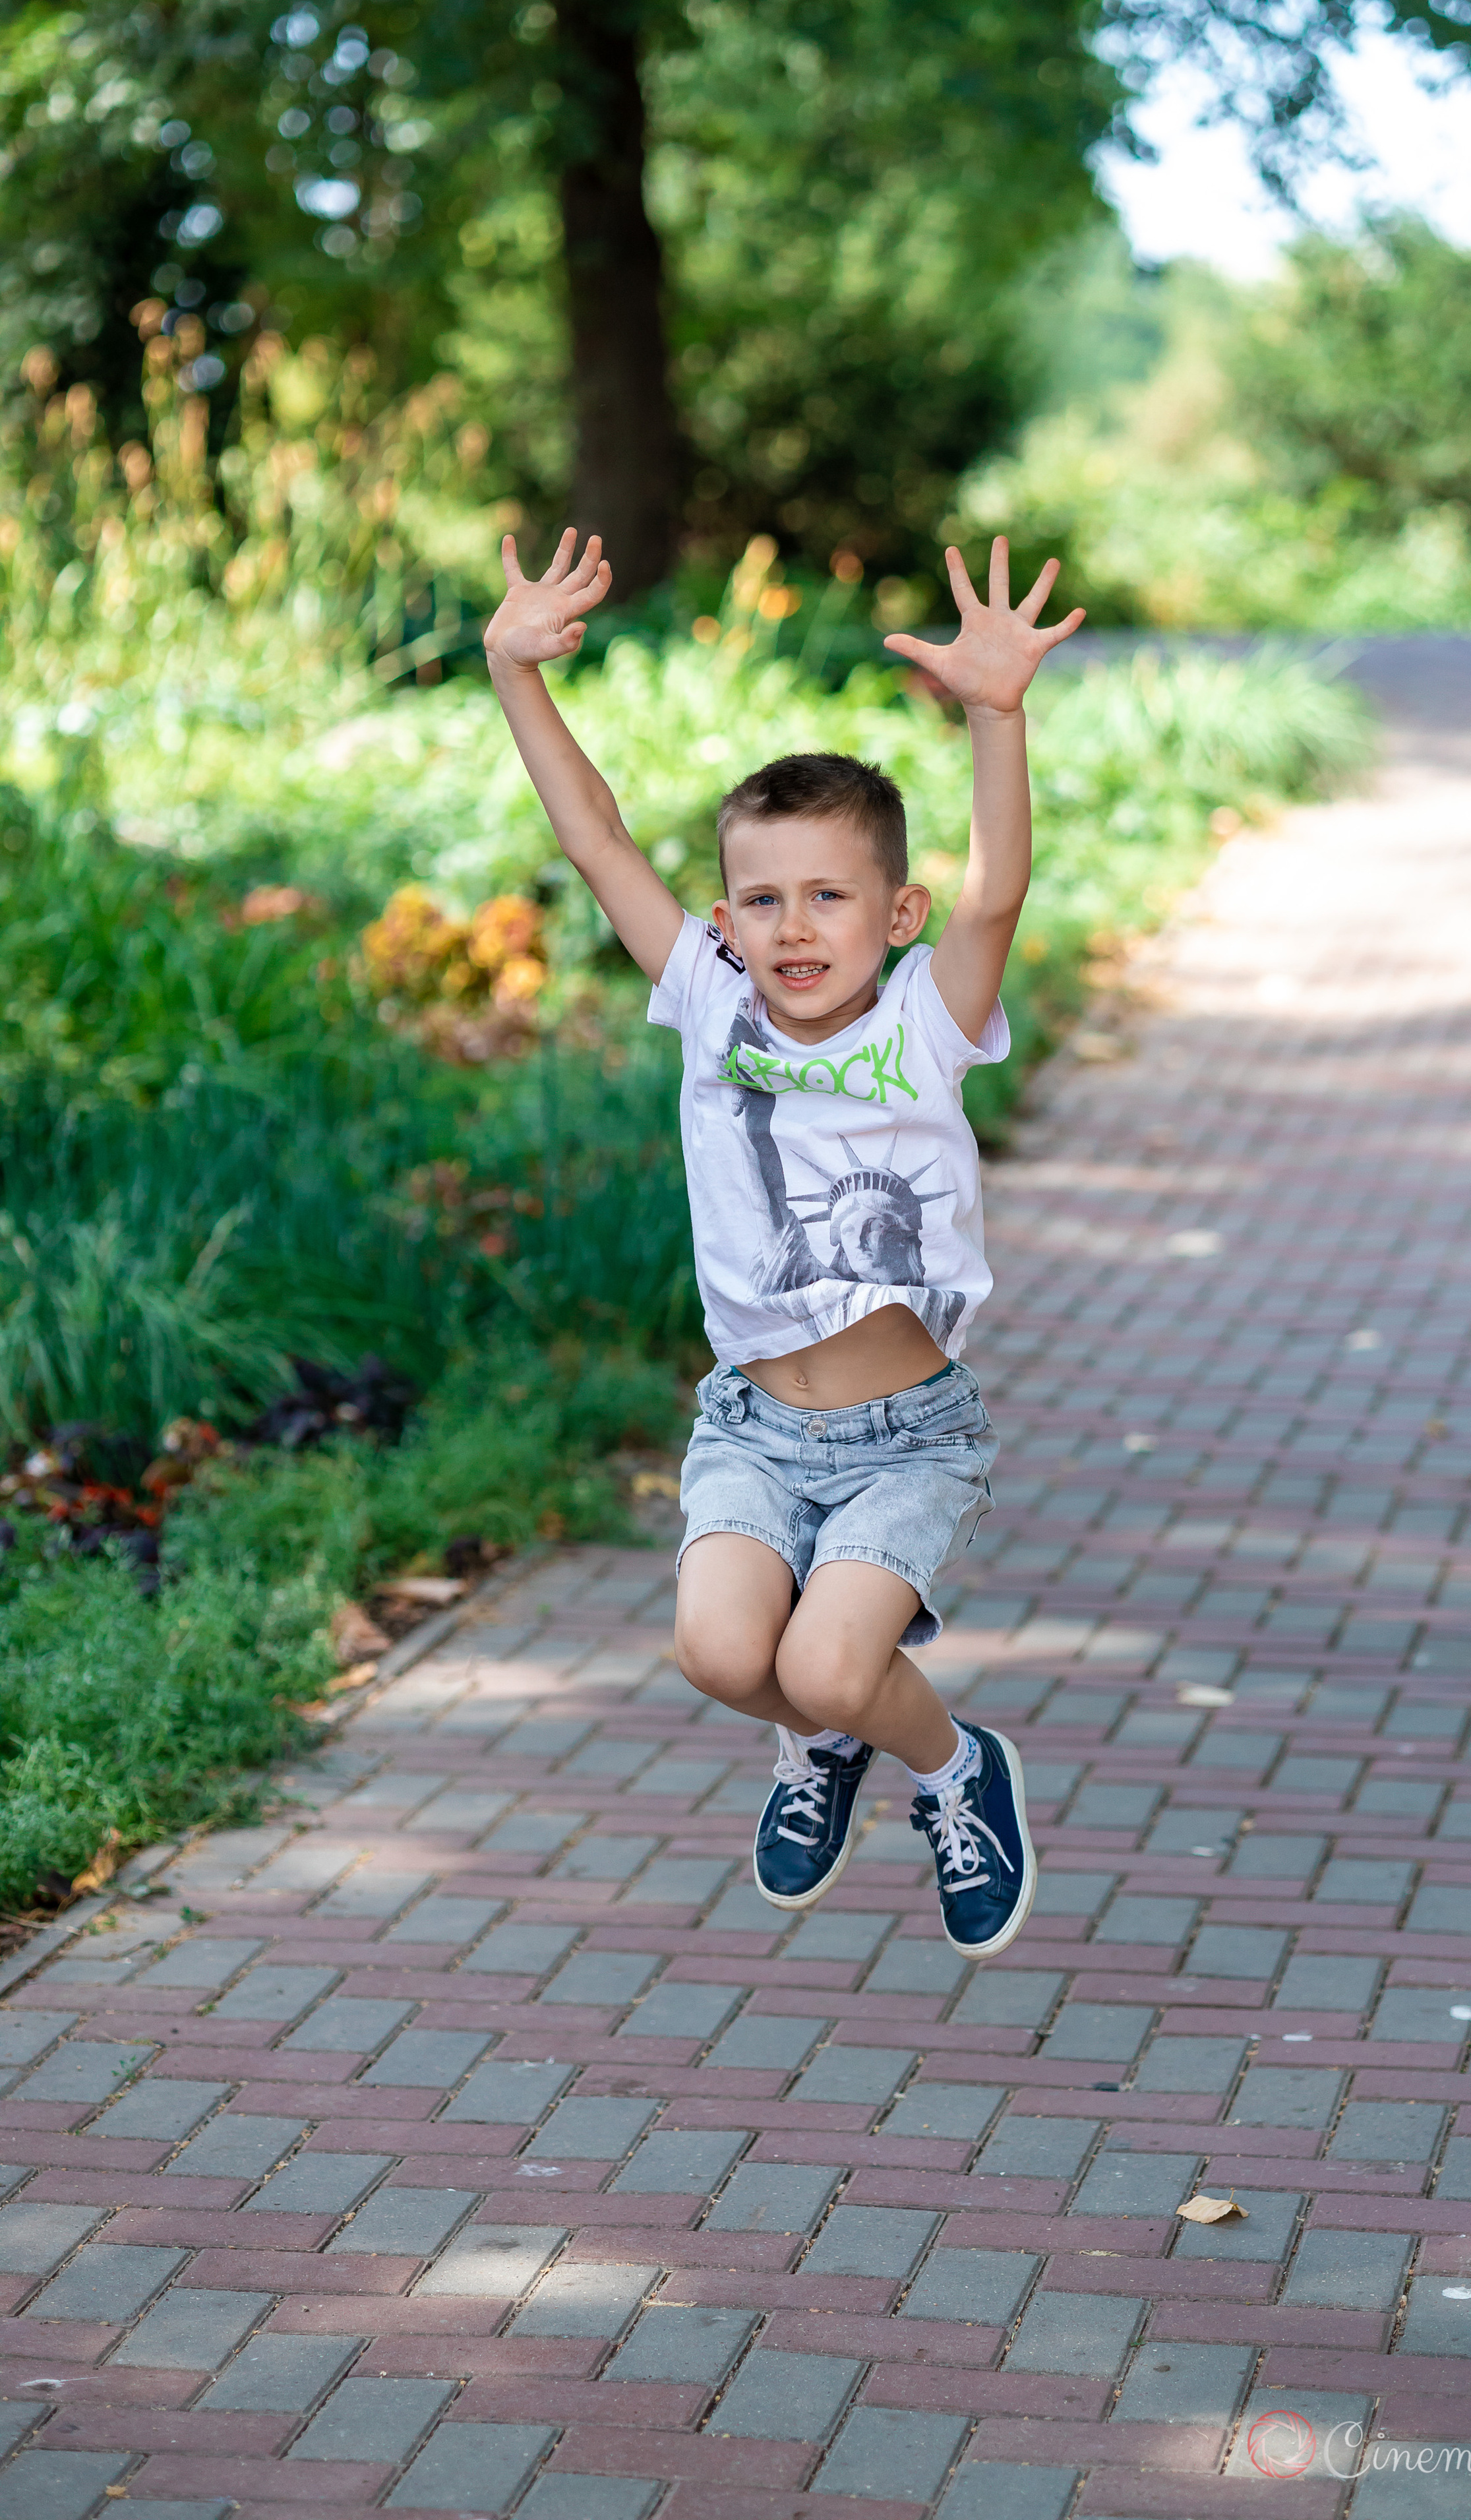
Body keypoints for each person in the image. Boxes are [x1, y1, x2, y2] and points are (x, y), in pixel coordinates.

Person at [485, 528, 1082, 1955]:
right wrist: (516, 674)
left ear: (896, 915)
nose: (794, 926)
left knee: (826, 1663)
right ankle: (827, 1743)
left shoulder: (924, 1023)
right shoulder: (707, 1000)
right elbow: (595, 838)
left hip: (904, 1435)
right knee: (717, 1654)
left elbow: (999, 889)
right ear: (722, 920)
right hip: (752, 1426)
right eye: (763, 898)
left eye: (829, 897)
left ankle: (951, 1770)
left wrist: (995, 715)